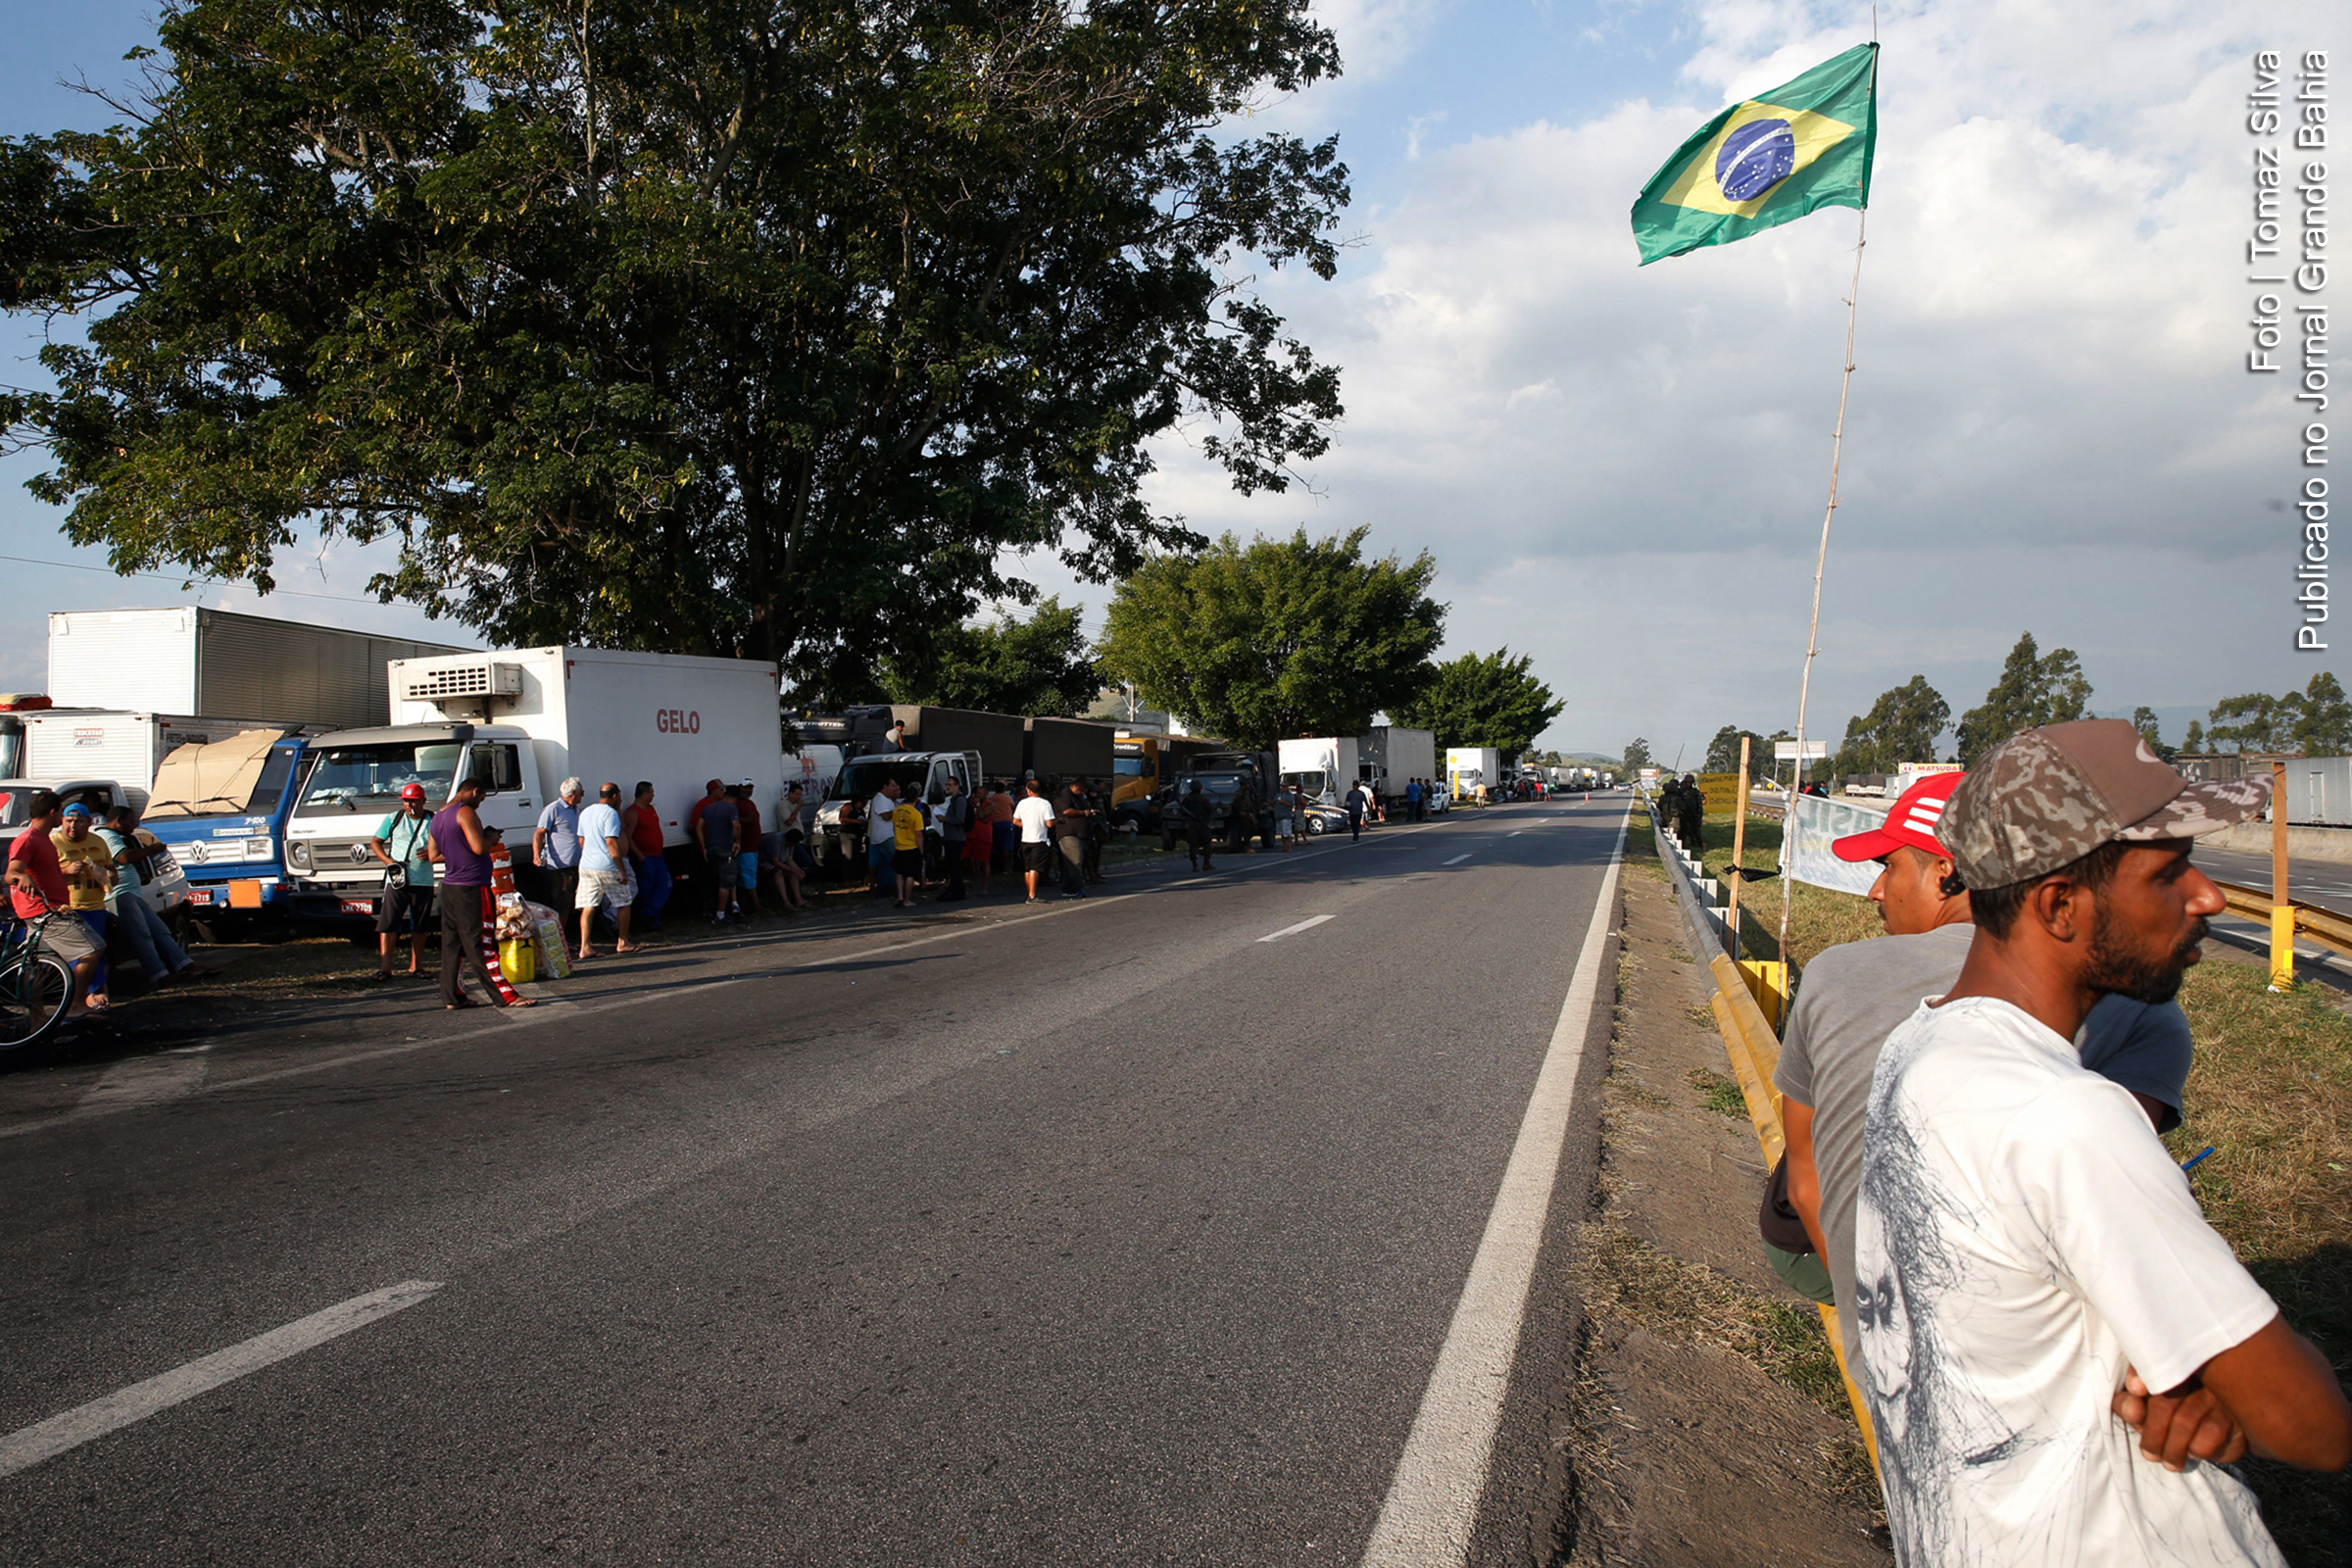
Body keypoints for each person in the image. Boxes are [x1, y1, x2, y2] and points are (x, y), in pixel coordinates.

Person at [1853, 720, 2350, 1565]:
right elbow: (2313, 1427)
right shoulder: (2068, 1114)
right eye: (2168, 872)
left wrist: (2207, 1382)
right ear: (2059, 906)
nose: (2208, 897)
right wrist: (2231, 1391)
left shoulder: (1920, 1044)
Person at [1776, 768, 2201, 1362]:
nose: (1876, 891)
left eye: (1888, 867)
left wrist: (1871, 1317)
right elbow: (2113, 1220)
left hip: (1867, 1317)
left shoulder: (1833, 973)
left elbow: (1806, 1181)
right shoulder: (2143, 1014)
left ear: (1945, 871)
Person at [428, 776, 530, 1009]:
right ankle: (505, 995)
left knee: (452, 945)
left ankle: (453, 996)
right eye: (481, 799)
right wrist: (490, 839)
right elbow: (479, 847)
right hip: (472, 887)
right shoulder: (465, 812)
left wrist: (457, 851)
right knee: (482, 944)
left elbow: (433, 855)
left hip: (450, 887)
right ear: (474, 792)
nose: (480, 804)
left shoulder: (438, 816)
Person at [7, 790, 105, 1017]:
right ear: (52, 813)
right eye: (61, 812)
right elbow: (12, 872)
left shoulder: (44, 840)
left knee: (35, 966)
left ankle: (38, 1021)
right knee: (93, 948)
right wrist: (20, 877)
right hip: (44, 912)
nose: (62, 817)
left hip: (48, 909)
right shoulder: (28, 839)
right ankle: (75, 1004)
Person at [97, 806, 201, 989]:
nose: (133, 827)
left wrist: (139, 875)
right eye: (131, 822)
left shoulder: (117, 837)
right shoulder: (107, 835)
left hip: (134, 892)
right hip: (121, 893)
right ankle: (159, 975)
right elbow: (123, 857)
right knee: (142, 935)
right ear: (118, 820)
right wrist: (151, 849)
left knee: (160, 931)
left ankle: (185, 965)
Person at [368, 781, 439, 977]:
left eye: (414, 801)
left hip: (423, 880)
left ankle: (417, 966)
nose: (409, 805)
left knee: (420, 926)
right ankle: (385, 968)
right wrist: (389, 862)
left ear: (423, 801)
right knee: (388, 924)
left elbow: (447, 846)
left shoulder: (434, 821)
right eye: (406, 801)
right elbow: (375, 842)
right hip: (397, 880)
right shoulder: (395, 818)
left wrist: (432, 854)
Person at [50, 804, 116, 1005]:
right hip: (68, 909)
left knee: (97, 953)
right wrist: (66, 871)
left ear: (88, 823)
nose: (73, 826)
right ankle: (87, 996)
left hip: (95, 907)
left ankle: (95, 992)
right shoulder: (53, 843)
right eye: (68, 821)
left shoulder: (98, 842)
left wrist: (109, 876)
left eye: (78, 822)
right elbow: (41, 875)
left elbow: (112, 870)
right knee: (79, 956)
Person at [574, 782, 641, 958]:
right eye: (619, 796)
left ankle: (585, 946)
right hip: (607, 866)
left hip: (587, 865)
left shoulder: (586, 812)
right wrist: (621, 869)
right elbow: (611, 841)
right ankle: (623, 942)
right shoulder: (610, 814)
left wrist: (590, 855)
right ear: (614, 796)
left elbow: (581, 839)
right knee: (623, 902)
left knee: (589, 905)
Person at [531, 778, 584, 929]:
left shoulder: (576, 810)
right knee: (561, 903)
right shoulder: (553, 809)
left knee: (573, 903)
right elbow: (539, 833)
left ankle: (567, 935)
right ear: (573, 793)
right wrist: (536, 855)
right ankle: (559, 936)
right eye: (582, 792)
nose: (583, 795)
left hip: (576, 864)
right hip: (560, 866)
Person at [623, 781, 671, 930]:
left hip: (657, 854)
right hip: (645, 857)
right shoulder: (633, 812)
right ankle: (646, 919)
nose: (653, 795)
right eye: (651, 793)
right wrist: (639, 855)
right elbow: (627, 836)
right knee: (646, 889)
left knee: (665, 884)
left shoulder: (651, 809)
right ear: (645, 794)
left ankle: (649, 913)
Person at [692, 778, 739, 923]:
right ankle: (720, 914)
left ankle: (717, 909)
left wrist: (703, 845)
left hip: (710, 848)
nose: (723, 791)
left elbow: (698, 827)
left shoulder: (708, 808)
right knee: (726, 882)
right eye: (721, 789)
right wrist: (737, 841)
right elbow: (736, 825)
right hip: (724, 848)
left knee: (714, 881)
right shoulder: (730, 809)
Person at [1013, 778, 1056, 902]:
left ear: (1028, 790)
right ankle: (1032, 895)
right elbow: (1049, 823)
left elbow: (1015, 821)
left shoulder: (1022, 803)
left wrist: (1027, 825)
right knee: (1035, 868)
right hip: (1039, 839)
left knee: (1027, 868)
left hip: (1025, 838)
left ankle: (1029, 892)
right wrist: (1057, 821)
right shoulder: (1045, 804)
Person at [888, 780, 925, 907]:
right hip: (911, 846)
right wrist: (921, 850)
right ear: (917, 798)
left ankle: (899, 895)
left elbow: (894, 826)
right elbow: (919, 835)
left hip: (899, 845)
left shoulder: (897, 810)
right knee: (910, 874)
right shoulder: (916, 814)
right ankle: (907, 899)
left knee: (899, 872)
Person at [732, 781, 766, 918]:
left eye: (750, 787)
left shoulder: (748, 803)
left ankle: (745, 904)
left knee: (746, 876)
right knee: (748, 876)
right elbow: (748, 819)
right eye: (745, 787)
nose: (748, 790)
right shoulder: (738, 803)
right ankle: (756, 906)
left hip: (752, 846)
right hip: (745, 847)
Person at [936, 775, 971, 902]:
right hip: (951, 837)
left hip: (956, 838)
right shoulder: (953, 800)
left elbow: (959, 819)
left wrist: (945, 819)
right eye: (946, 785)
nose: (947, 787)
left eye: (950, 785)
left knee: (955, 866)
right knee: (952, 866)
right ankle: (957, 891)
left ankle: (956, 892)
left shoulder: (959, 800)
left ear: (957, 786)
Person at [866, 775, 899, 896]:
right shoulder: (880, 799)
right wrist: (898, 811)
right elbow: (885, 816)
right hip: (884, 837)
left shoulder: (887, 799)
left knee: (886, 863)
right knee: (894, 860)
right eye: (892, 786)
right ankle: (891, 886)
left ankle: (885, 887)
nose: (894, 788)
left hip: (887, 835)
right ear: (885, 787)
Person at [1179, 777, 1215, 871]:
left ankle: (1195, 864)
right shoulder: (1203, 799)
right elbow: (1210, 810)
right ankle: (1206, 863)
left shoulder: (1187, 800)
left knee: (1193, 845)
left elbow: (1182, 812)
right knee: (1206, 844)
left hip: (1191, 825)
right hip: (1202, 824)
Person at [1270, 785, 1295, 852]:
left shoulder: (1289, 795)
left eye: (1284, 786)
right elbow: (1274, 803)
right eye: (1281, 786)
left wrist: (1283, 802)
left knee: (1287, 833)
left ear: (1287, 787)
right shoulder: (1278, 794)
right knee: (1282, 833)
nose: (1282, 788)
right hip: (1278, 816)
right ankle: (1284, 847)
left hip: (1286, 817)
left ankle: (1289, 847)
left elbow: (1291, 804)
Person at [1343, 777, 1365, 843]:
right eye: (1353, 785)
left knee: (1357, 824)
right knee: (1353, 824)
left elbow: (1365, 801)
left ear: (1358, 786)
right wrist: (1347, 807)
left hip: (1359, 811)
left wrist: (1369, 809)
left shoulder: (1361, 793)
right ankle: (1354, 833)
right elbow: (1347, 802)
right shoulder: (1350, 793)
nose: (1354, 787)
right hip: (1352, 811)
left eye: (1355, 785)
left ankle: (1355, 837)